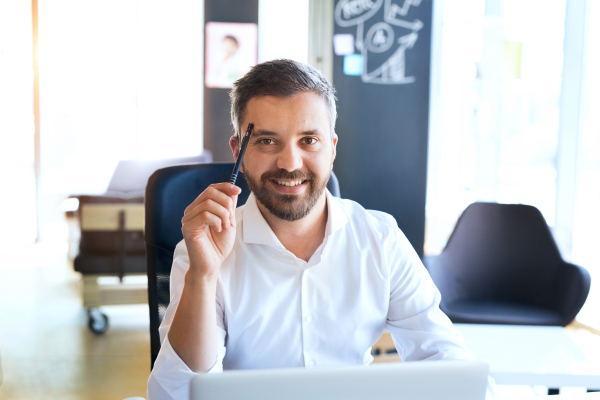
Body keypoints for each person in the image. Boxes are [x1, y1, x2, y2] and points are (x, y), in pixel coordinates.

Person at [147, 59, 495, 399]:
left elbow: (449, 366)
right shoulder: (200, 252)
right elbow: (174, 394)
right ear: (239, 149)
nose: (289, 163)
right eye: (267, 141)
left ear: (331, 148)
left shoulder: (380, 239)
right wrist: (203, 275)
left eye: (309, 140)